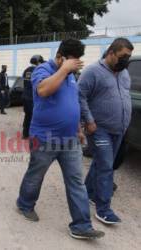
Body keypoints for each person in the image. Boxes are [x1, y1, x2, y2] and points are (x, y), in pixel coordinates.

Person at [16, 39, 105, 240]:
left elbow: (71, 102)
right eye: (73, 61)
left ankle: (81, 225)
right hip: (45, 138)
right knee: (36, 175)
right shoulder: (42, 70)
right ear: (60, 57)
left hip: (70, 140)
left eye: (77, 62)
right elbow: (43, 90)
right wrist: (64, 70)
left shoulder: (71, 76)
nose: (76, 66)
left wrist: (77, 129)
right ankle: (24, 203)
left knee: (76, 181)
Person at [79, 38, 134, 225]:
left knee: (100, 163)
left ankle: (87, 193)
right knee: (106, 167)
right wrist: (89, 120)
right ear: (111, 53)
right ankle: (103, 209)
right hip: (99, 128)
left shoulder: (124, 73)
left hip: (119, 129)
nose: (126, 60)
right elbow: (80, 96)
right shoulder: (93, 71)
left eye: (129, 57)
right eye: (123, 56)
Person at [22, 55, 44, 139]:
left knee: (27, 115)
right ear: (38, 62)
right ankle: (33, 135)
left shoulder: (26, 70)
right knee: (34, 116)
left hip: (25, 96)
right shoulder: (38, 70)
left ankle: (25, 134)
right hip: (32, 98)